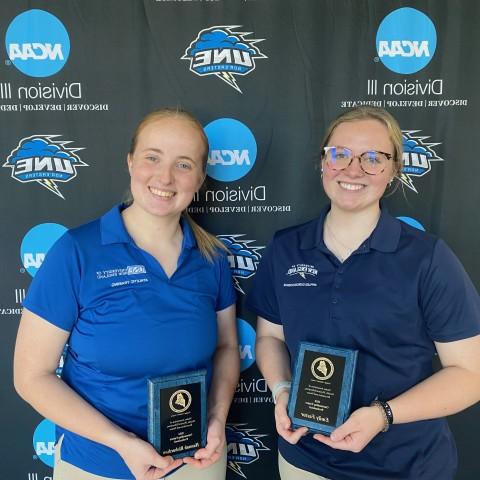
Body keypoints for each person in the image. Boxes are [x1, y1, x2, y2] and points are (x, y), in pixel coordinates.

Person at [246, 106, 480, 480]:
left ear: (393, 170)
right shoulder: (286, 248)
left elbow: (471, 374)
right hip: (304, 461)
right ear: (323, 162)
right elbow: (270, 337)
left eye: (373, 158)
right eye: (340, 154)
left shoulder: (427, 258)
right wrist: (281, 388)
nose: (353, 169)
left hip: (405, 465)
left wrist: (384, 415)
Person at [14, 107, 240, 480]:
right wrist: (121, 442)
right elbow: (31, 376)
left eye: (184, 164)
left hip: (196, 460)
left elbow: (227, 347)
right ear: (131, 162)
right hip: (100, 464)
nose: (165, 177)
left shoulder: (210, 258)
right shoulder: (76, 252)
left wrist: (216, 418)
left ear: (200, 178)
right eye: (153, 158)